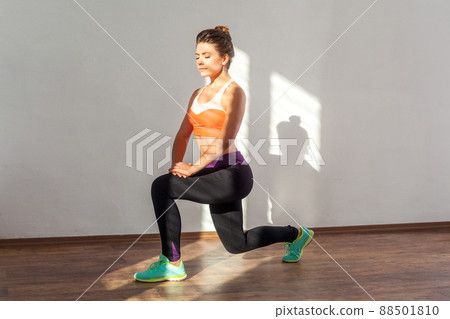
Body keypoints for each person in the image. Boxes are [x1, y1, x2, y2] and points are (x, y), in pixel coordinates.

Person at [134, 26, 314, 282]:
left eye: (207, 55)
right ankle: (296, 235)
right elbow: (183, 134)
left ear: (224, 58)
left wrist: (192, 168)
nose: (200, 61)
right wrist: (177, 165)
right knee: (236, 244)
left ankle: (172, 262)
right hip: (211, 173)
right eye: (197, 55)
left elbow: (224, 141)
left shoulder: (234, 92)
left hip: (232, 174)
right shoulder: (197, 94)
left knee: (162, 187)